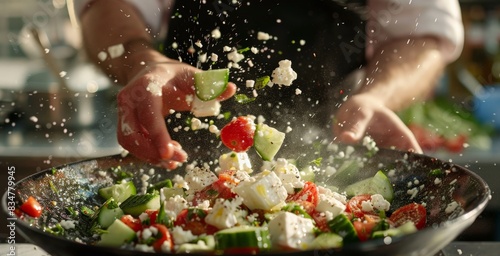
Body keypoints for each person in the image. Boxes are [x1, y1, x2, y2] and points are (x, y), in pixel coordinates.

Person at [75, 0, 464, 169]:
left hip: (332, 146)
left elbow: (423, 33)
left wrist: (377, 97)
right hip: (176, 152)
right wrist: (146, 64)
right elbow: (106, 8)